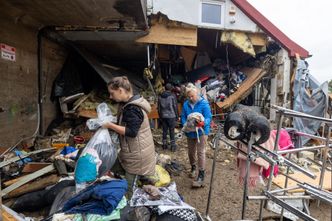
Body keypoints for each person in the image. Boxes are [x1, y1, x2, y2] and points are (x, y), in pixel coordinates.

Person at [102, 76, 156, 198]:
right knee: (120, 168)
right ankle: (143, 183)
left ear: (120, 90)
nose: (110, 97)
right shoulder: (130, 103)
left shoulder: (132, 108)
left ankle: (132, 207)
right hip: (136, 150)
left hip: (138, 155)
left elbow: (132, 132)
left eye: (112, 93)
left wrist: (110, 125)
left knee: (129, 188)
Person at [181, 83, 212, 187]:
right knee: (190, 152)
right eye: (189, 96)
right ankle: (193, 167)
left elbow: (208, 117)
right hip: (190, 131)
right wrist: (186, 124)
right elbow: (183, 117)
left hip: (202, 131)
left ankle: (201, 175)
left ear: (197, 94)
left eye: (192, 96)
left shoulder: (204, 104)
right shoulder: (186, 104)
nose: (191, 98)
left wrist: (203, 123)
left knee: (200, 152)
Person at [158, 83, 179, 151]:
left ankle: (164, 145)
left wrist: (160, 116)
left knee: (164, 130)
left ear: (165, 88)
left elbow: (159, 108)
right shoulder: (172, 96)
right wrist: (177, 116)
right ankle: (173, 146)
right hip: (171, 116)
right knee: (171, 130)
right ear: (170, 89)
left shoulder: (160, 96)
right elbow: (175, 106)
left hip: (163, 116)